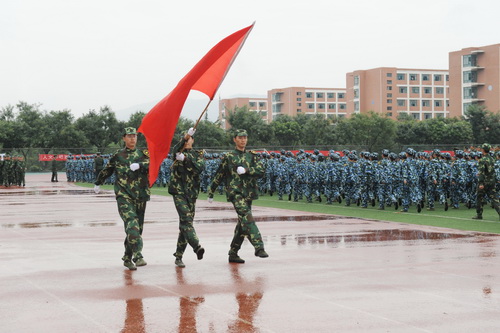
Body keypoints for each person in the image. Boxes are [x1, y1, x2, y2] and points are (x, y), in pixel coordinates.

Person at [208, 129, 269, 264]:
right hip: (235, 192)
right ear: (234, 139)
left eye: (245, 138)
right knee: (247, 217)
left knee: (242, 224)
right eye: (240, 138)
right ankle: (259, 247)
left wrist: (247, 170)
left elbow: (261, 171)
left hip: (249, 193)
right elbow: (220, 174)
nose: (243, 140)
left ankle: (233, 253)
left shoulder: (252, 156)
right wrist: (211, 191)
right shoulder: (229, 157)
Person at [94, 127, 150, 270]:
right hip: (124, 195)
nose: (132, 139)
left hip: (140, 195)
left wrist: (141, 165)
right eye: (129, 136)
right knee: (132, 223)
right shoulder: (118, 155)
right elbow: (107, 170)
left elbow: (154, 165)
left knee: (137, 229)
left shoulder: (143, 154)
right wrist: (98, 182)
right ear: (124, 138)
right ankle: (138, 255)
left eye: (134, 136)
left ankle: (127, 257)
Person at [168, 127, 205, 268]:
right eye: (186, 140)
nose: (188, 142)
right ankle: (197, 246)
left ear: (193, 141)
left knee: (185, 225)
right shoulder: (177, 152)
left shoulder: (197, 155)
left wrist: (186, 159)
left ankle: (178, 256)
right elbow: (175, 149)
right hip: (179, 192)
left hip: (192, 194)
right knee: (187, 220)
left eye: (190, 139)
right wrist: (185, 137)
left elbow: (199, 168)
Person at [472, 143, 500, 220]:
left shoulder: (482, 160)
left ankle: (479, 214)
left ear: (483, 150)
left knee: (479, 198)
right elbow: (493, 171)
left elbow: (481, 172)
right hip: (492, 181)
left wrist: (481, 183)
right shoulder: (492, 159)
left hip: (484, 182)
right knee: (495, 199)